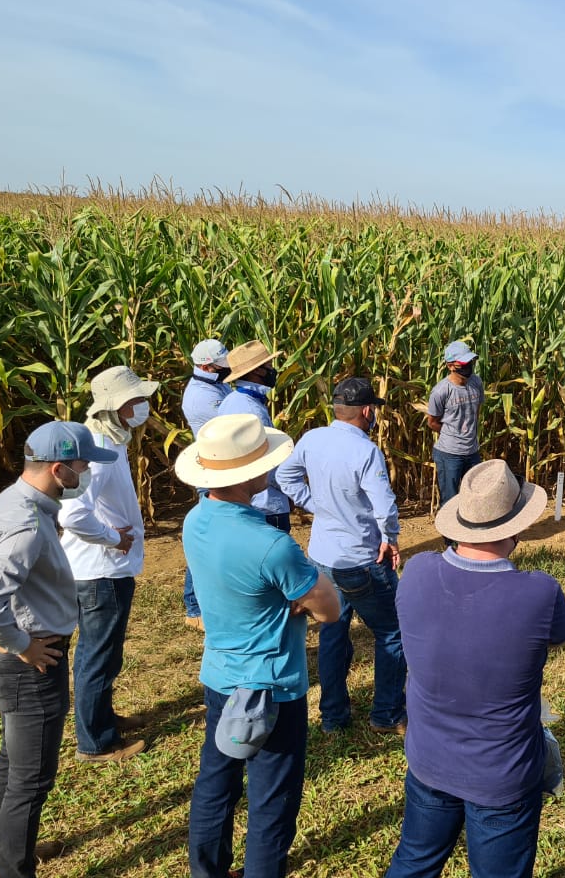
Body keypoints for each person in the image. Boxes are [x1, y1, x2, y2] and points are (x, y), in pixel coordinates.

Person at [384, 460, 565, 878]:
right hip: (502, 773)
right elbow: (562, 633)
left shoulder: (415, 572)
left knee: (414, 862)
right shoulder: (539, 592)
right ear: (516, 528)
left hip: (428, 758)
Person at [177, 414, 341, 878]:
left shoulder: (194, 521)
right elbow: (328, 611)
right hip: (272, 687)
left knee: (216, 781)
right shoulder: (273, 545)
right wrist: (300, 599)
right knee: (272, 798)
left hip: (219, 676)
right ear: (248, 474)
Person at [0, 421, 116, 878]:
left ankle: (1, 852)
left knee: (14, 761)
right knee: (32, 779)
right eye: (82, 463)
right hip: (29, 664)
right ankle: (13, 868)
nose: (88, 468)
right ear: (58, 469)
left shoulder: (11, 501)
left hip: (16, 660)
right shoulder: (27, 524)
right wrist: (24, 645)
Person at [276, 376, 406, 735]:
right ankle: (387, 714)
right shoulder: (366, 451)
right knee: (392, 632)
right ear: (367, 411)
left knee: (333, 631)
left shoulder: (312, 438)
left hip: (321, 557)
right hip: (361, 559)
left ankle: (333, 717)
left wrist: (314, 505)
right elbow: (384, 506)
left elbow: (286, 476)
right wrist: (390, 538)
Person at [60, 365, 159, 763]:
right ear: (115, 407)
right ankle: (96, 742)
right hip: (100, 571)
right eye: (136, 401)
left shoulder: (108, 441)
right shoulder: (96, 453)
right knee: (98, 655)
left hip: (103, 568)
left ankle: (100, 716)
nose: (144, 406)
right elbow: (72, 514)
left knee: (103, 652)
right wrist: (113, 537)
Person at [179, 338, 233, 631]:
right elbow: (233, 423)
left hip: (223, 469)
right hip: (212, 473)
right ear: (205, 366)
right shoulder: (201, 396)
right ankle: (193, 606)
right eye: (220, 365)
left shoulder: (215, 384)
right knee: (207, 540)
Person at [220, 340, 292, 531]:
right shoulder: (253, 410)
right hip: (266, 504)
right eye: (268, 366)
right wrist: (290, 490)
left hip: (243, 499)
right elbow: (268, 461)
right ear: (257, 371)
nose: (272, 370)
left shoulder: (230, 401)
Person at [426, 340, 485, 508]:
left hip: (472, 452)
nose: (469, 366)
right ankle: (450, 535)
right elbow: (432, 422)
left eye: (470, 362)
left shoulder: (476, 382)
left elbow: (476, 412)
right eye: (464, 363)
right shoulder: (441, 391)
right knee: (450, 502)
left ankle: (470, 533)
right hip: (449, 454)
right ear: (450, 366)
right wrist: (453, 433)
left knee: (474, 497)